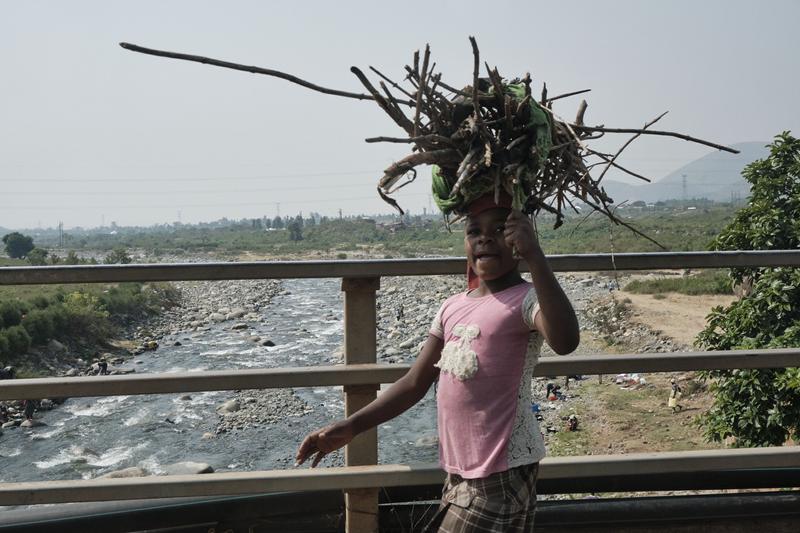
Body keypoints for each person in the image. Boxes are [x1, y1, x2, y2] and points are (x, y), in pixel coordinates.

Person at [295, 192, 580, 532]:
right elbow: (414, 382)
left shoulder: (525, 300)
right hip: (459, 472)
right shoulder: (451, 307)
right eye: (474, 231)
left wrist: (536, 258)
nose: (485, 237)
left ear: (520, 238)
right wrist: (351, 426)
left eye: (500, 229)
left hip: (500, 469)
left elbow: (565, 341)